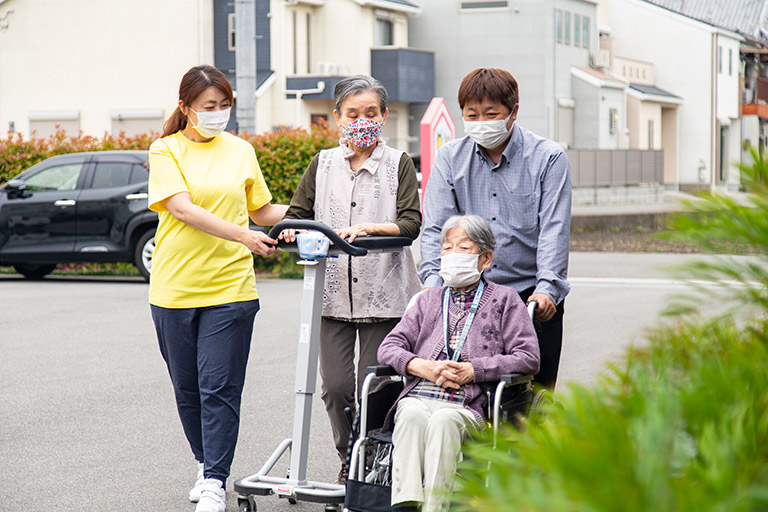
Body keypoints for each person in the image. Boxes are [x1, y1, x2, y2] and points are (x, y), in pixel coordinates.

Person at [147, 64, 287, 512]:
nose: (219, 113)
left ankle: (214, 479)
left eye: (225, 105)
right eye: (210, 106)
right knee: (187, 389)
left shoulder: (241, 150)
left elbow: (262, 211)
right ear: (185, 108)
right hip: (173, 289)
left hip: (230, 289)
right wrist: (243, 235)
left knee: (219, 387)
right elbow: (183, 210)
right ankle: (206, 462)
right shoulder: (164, 150)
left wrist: (323, 207)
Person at [280, 74, 422, 483]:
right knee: (337, 387)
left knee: (373, 385)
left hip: (384, 292)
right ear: (338, 117)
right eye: (353, 113)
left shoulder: (399, 163)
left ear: (384, 115)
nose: (362, 120)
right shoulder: (322, 163)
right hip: (331, 294)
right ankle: (349, 459)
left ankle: (371, 464)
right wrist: (293, 229)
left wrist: (371, 228)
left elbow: (411, 223)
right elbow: (298, 213)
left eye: (371, 113)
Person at [420, 68, 571, 390]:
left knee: (534, 394)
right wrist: (433, 286)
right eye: (471, 115)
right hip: (466, 294)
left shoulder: (548, 158)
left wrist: (548, 289)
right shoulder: (449, 158)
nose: (481, 122)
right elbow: (436, 228)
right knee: (466, 391)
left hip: (529, 293)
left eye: (491, 114)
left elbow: (553, 229)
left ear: (513, 112)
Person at [378, 215, 540, 512]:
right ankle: (404, 506)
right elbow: (389, 346)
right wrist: (419, 365)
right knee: (411, 415)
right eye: (447, 248)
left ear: (485, 259)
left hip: (465, 405)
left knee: (443, 420)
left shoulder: (506, 300)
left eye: (463, 248)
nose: (452, 255)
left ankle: (436, 508)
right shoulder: (427, 300)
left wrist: (474, 370)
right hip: (419, 393)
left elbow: (528, 357)